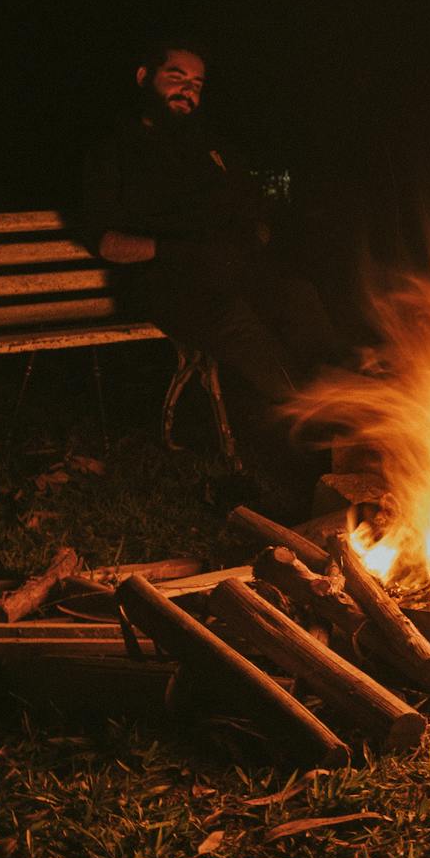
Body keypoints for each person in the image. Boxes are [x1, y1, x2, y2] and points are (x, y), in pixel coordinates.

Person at [77, 41, 349, 512]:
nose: (188, 90)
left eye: (197, 84)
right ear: (144, 78)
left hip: (232, 268)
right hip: (165, 279)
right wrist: (179, 251)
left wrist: (252, 236)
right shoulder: (113, 151)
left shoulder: (209, 148)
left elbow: (252, 210)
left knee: (297, 295)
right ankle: (318, 435)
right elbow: (107, 243)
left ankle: (351, 407)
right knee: (239, 324)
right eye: (177, 77)